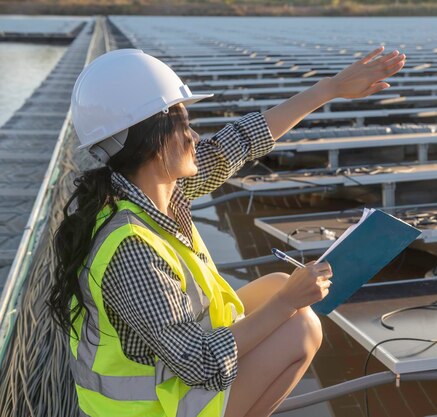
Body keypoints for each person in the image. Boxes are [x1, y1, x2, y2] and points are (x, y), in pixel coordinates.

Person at [48, 46, 405, 417]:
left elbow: (239, 143)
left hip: (169, 369)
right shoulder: (131, 250)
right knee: (301, 325)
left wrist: (329, 89)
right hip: (152, 408)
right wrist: (288, 303)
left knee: (277, 284)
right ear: (153, 142)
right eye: (184, 126)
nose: (196, 137)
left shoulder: (158, 190)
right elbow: (200, 365)